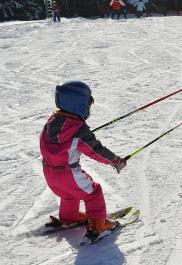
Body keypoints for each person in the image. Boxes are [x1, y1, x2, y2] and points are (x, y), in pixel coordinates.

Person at [40, 80, 128, 236]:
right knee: (93, 192)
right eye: (88, 103)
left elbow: (52, 143)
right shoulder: (79, 130)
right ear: (78, 103)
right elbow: (96, 150)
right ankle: (98, 225)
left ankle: (68, 218)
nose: (88, 108)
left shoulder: (51, 123)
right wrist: (115, 161)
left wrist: (81, 134)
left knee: (69, 194)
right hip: (68, 174)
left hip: (50, 174)